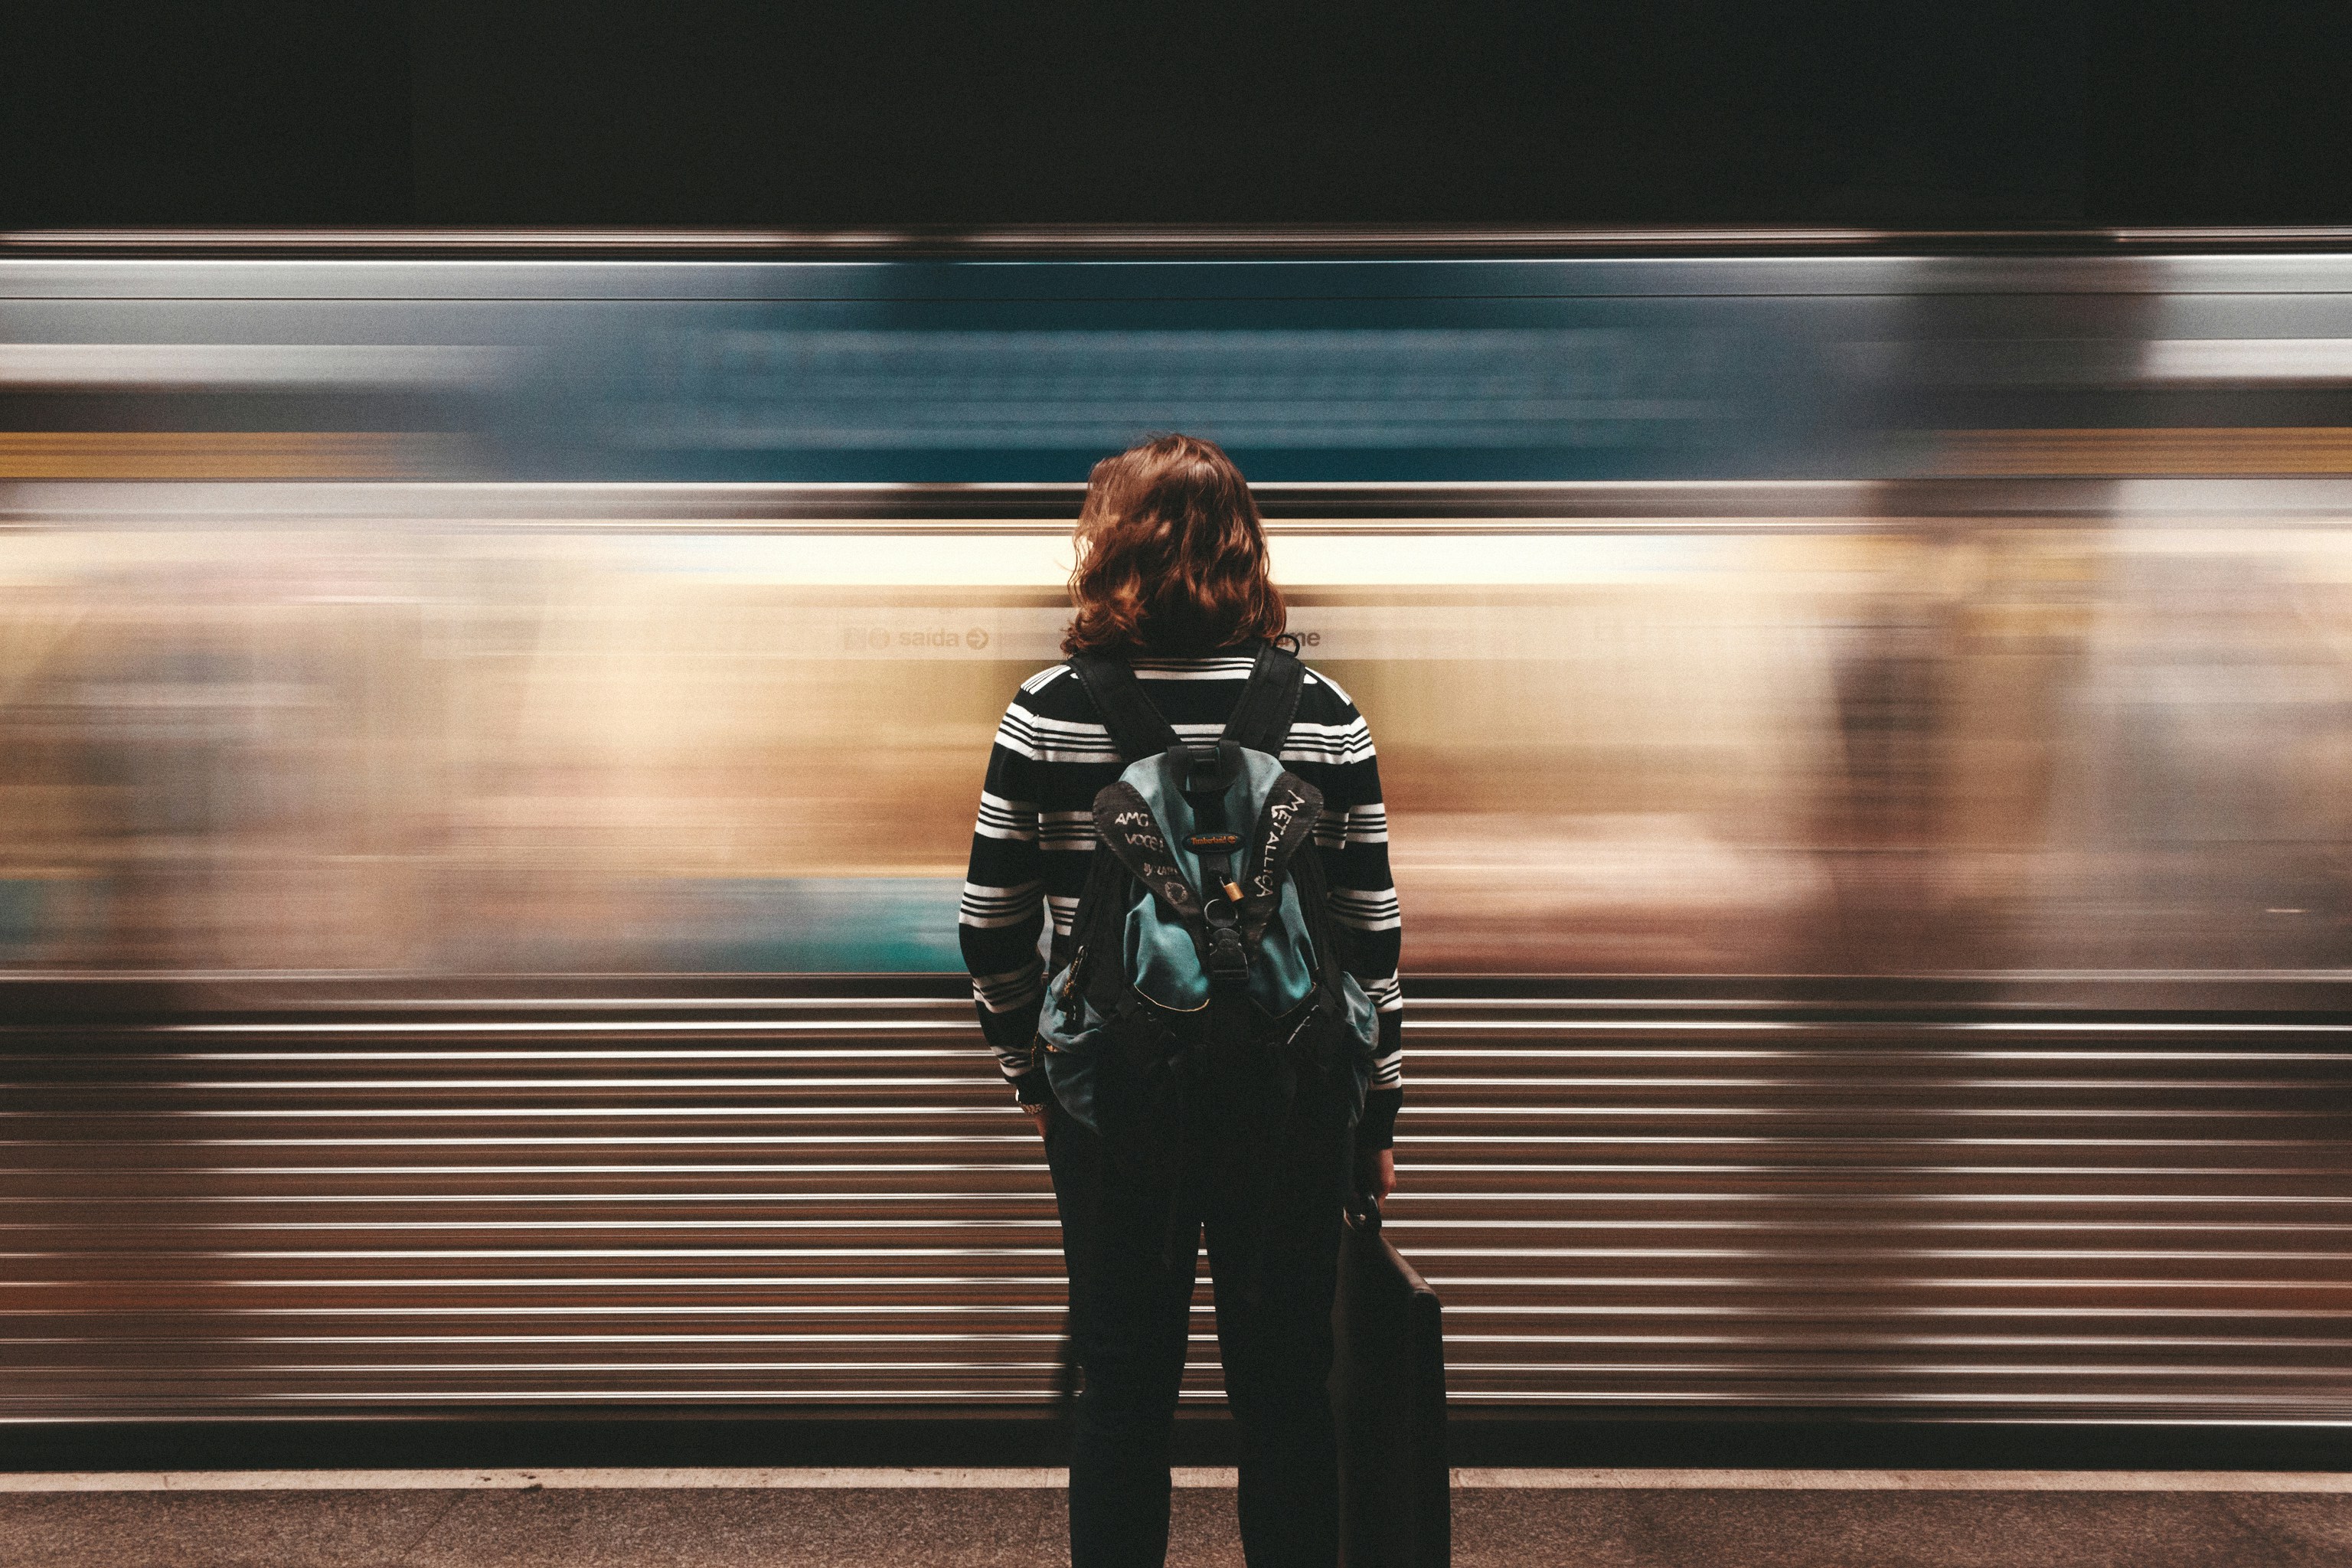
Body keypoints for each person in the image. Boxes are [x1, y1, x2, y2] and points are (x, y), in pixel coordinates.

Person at [958, 433, 1403, 1567]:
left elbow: (988, 926)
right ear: (1249, 553)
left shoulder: (1045, 712)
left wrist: (1035, 1080)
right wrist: (1378, 1117)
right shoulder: (1325, 712)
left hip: (1113, 1116)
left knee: (1122, 1396)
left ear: (1106, 550)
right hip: (1293, 1111)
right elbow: (1370, 938)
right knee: (1288, 1394)